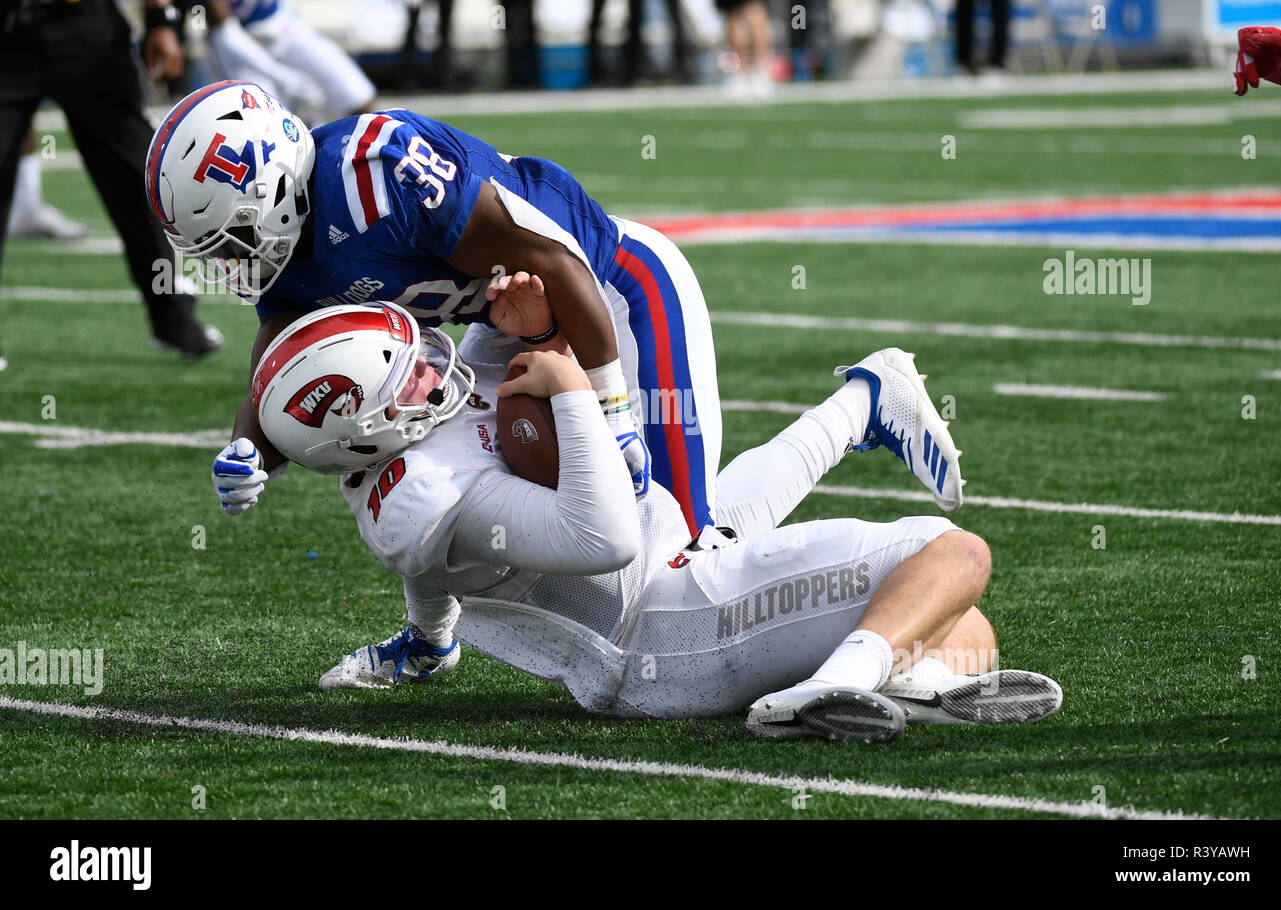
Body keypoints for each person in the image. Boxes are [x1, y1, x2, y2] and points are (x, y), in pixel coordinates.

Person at [147, 81, 953, 545]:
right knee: (445, 474)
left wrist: (616, 414)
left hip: (612, 293)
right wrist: (250, 449)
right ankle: (432, 639)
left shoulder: (375, 173)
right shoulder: (291, 252)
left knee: (684, 542)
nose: (231, 262)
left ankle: (865, 403)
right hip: (513, 324)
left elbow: (557, 263)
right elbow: (285, 367)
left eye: (233, 237)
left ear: (273, 184)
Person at [247, 301, 1055, 742]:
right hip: (665, 632)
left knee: (959, 625)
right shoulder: (425, 495)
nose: (435, 366)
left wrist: (429, 640)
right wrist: (573, 393)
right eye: (412, 376)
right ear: (360, 431)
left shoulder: (403, 461)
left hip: (676, 563)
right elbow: (605, 537)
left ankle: (866, 410)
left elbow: (427, 574)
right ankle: (824, 690)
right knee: (953, 554)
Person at [0, 0, 223, 364]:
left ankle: (173, 318)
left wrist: (161, 18)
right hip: (8, 36)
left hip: (86, 30)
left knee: (138, 179)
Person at [202, 0, 376, 123]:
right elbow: (226, 33)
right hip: (238, 47)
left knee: (358, 97)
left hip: (282, 25)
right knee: (266, 125)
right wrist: (282, 77)